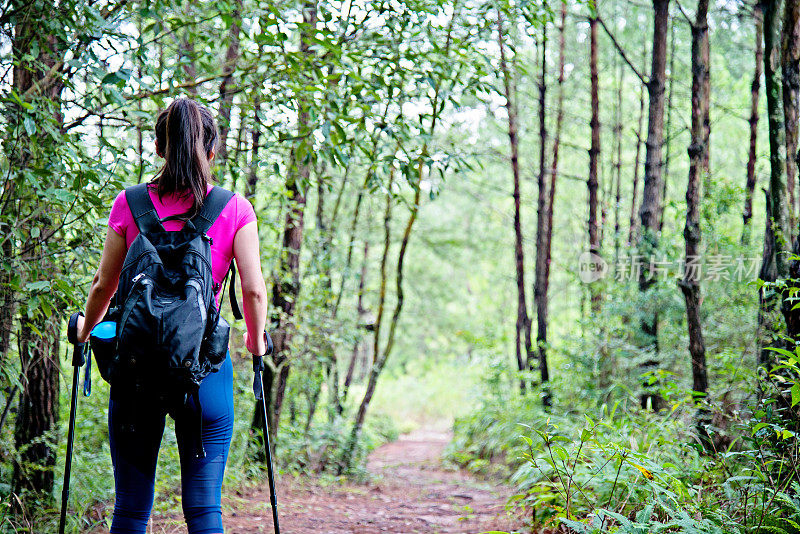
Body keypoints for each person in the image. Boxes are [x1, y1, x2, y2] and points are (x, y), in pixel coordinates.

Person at [75, 97, 268, 534]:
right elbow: (253, 289)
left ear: (160, 148)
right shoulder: (233, 208)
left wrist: (85, 332)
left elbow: (103, 287)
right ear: (212, 150)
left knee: (129, 512)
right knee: (203, 511)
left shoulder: (129, 205)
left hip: (135, 369)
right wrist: (256, 342)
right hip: (204, 370)